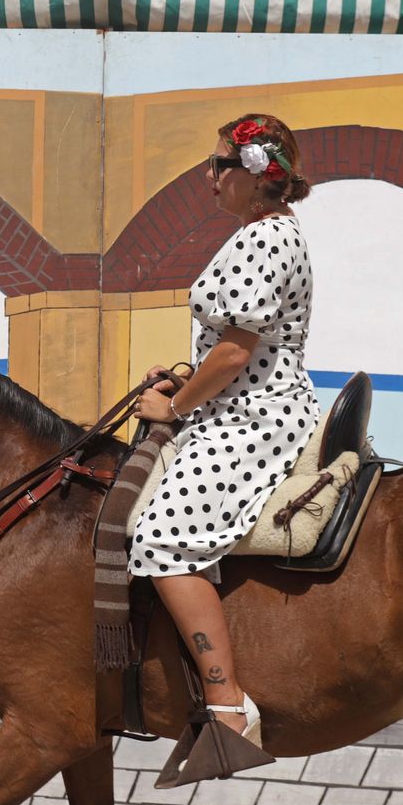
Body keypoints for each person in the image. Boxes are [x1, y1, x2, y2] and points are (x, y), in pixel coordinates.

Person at [131, 114, 319, 745]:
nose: (210, 178)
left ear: (257, 174)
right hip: (240, 403)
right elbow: (232, 345)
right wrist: (186, 372)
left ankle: (228, 706)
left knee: (160, 539)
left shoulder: (263, 240)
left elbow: (238, 354)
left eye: (220, 165)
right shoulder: (266, 234)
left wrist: (176, 404)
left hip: (252, 419)